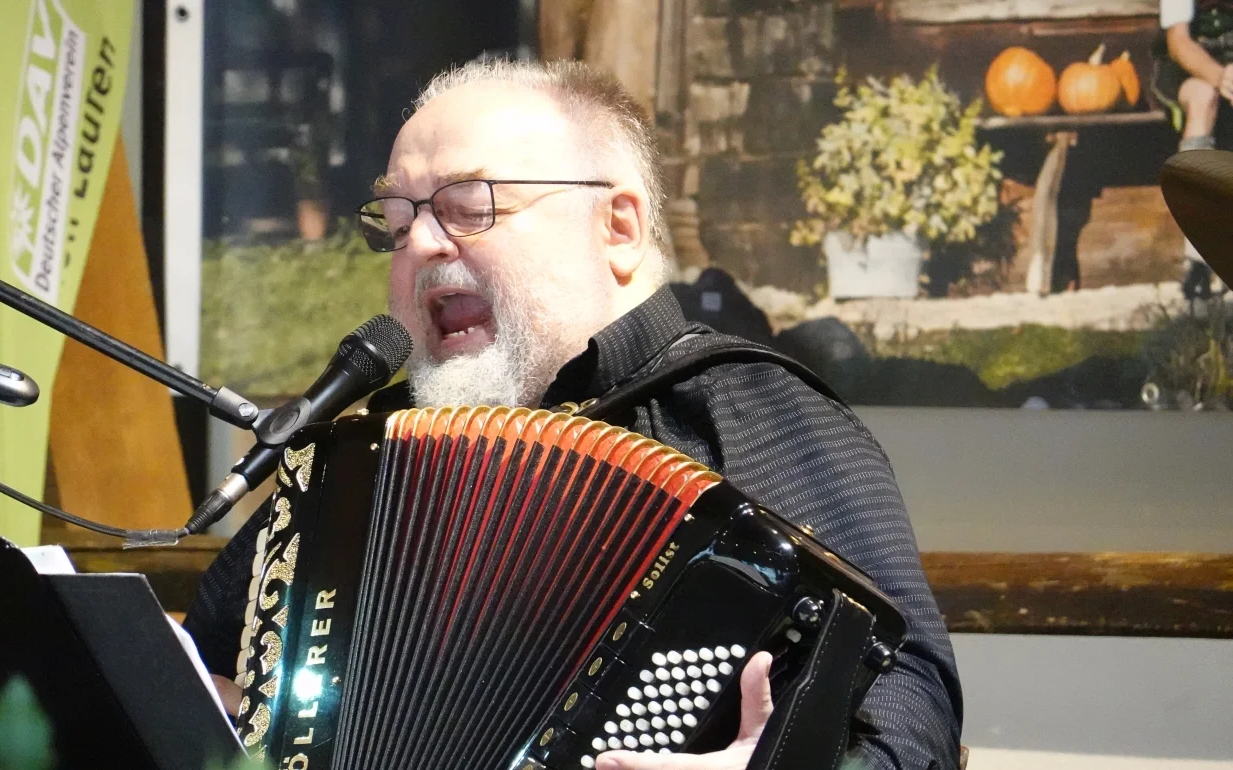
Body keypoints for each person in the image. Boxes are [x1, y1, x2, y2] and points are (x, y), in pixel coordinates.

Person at [184, 59, 962, 770]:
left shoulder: (744, 406)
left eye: (468, 205)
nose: (418, 243)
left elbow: (912, 707)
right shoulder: (369, 456)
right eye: (394, 222)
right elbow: (202, 663)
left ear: (617, 226)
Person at [1153, 0, 1233, 297]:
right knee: (1203, 98)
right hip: (1192, 66)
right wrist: (1221, 77)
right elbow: (1178, 42)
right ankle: (1199, 258)